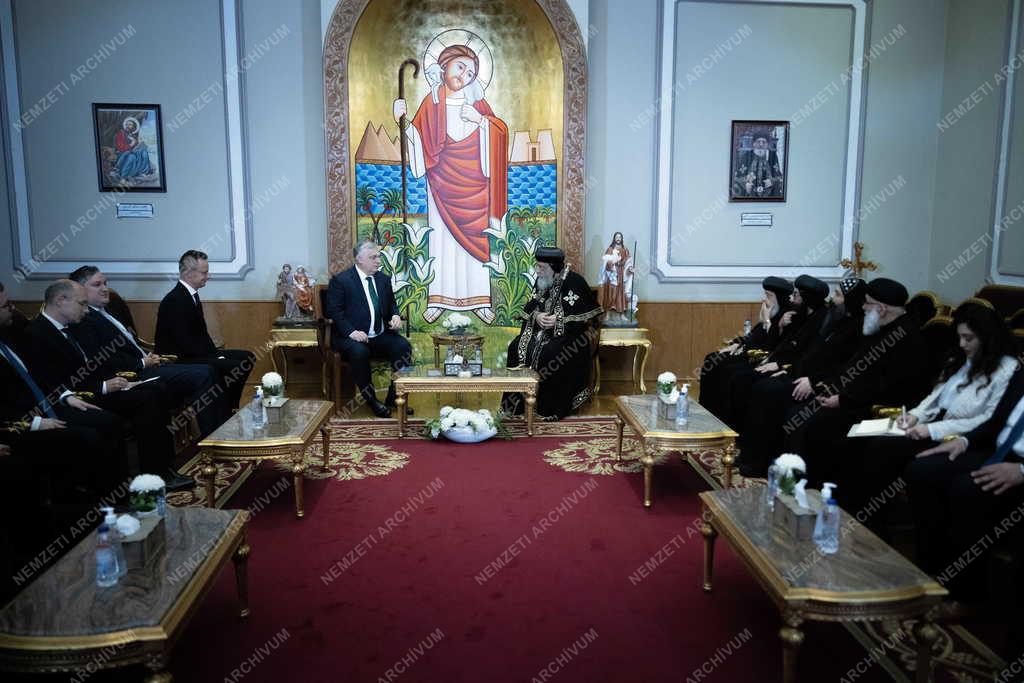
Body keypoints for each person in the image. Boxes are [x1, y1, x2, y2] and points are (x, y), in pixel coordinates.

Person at [841, 302, 1019, 520]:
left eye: (968, 338)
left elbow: (988, 419)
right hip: (930, 424)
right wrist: (915, 415)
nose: (962, 344)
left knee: (885, 449)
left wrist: (931, 430)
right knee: (861, 437)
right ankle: (858, 510)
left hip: (958, 435)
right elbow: (935, 396)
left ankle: (871, 516)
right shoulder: (964, 357)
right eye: (959, 337)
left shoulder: (1007, 370)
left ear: (988, 338)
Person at [20, 280, 192, 491]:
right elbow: (51, 381)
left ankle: (159, 470)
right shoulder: (37, 333)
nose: (86, 310)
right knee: (146, 399)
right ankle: (140, 481)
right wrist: (102, 386)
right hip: (75, 398)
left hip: (94, 388)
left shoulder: (71, 326)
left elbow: (93, 366)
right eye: (82, 304)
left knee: (155, 390)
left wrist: (119, 382)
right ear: (60, 300)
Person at [394, 43, 508, 325]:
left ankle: (480, 300)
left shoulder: (478, 104)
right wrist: (402, 121)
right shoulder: (432, 103)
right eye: (460, 67)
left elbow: (500, 132)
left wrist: (482, 121)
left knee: (476, 241)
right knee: (442, 241)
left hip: (475, 188)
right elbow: (417, 138)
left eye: (471, 73)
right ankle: (438, 299)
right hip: (441, 184)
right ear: (444, 66)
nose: (464, 75)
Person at [782, 278, 932, 486]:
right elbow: (852, 368)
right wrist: (831, 388)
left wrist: (842, 400)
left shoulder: (906, 338)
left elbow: (888, 387)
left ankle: (814, 488)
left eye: (867, 303)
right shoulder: (879, 329)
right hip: (854, 399)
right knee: (797, 414)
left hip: (881, 411)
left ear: (881, 308)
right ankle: (794, 481)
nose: (863, 307)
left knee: (814, 426)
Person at [908, 365, 1024, 604]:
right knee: (923, 470)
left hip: (1019, 467)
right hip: (997, 450)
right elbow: (996, 422)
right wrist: (964, 441)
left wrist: (1021, 471)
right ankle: (930, 567)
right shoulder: (1021, 375)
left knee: (967, 490)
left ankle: (966, 597)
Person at [68, 266, 227, 438]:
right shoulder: (83, 319)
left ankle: (221, 432)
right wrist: (143, 362)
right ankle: (213, 438)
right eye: (97, 285)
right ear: (80, 290)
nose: (105, 288)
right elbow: (105, 359)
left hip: (148, 363)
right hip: (132, 373)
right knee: (204, 374)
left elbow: (129, 345)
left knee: (209, 370)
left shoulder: (109, 310)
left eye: (105, 283)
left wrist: (147, 355)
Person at [736, 278, 867, 477]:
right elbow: (809, 354)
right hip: (804, 375)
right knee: (763, 388)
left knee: (768, 392)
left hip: (824, 386)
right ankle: (752, 455)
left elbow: (845, 367)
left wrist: (813, 382)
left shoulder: (858, 327)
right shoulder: (836, 320)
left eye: (838, 295)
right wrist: (789, 369)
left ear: (851, 300)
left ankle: (762, 462)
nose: (833, 299)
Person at [501, 247, 603, 421]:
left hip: (569, 335)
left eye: (541, 267)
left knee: (550, 354)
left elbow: (589, 317)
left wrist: (559, 320)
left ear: (554, 267)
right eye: (537, 266)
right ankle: (516, 406)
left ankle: (548, 407)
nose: (537, 271)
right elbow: (531, 307)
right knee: (515, 347)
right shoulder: (542, 280)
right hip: (540, 333)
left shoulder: (575, 282)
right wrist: (537, 316)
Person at [155, 250, 256, 413]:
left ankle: (228, 405)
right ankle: (224, 409)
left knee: (247, 357)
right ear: (189, 273)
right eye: (204, 272)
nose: (208, 276)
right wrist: (215, 357)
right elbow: (185, 342)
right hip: (179, 360)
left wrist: (214, 354)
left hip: (196, 353)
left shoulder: (190, 295)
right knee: (233, 365)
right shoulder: (175, 300)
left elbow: (200, 334)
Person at [325, 241, 413, 418]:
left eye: (378, 256)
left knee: (403, 347)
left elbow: (392, 305)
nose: (378, 261)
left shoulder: (383, 280)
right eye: (373, 257)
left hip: (378, 335)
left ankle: (394, 395)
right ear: (359, 259)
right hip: (349, 337)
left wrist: (395, 316)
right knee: (359, 351)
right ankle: (371, 400)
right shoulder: (341, 281)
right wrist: (352, 332)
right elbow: (334, 312)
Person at [698, 276, 794, 424]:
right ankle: (707, 411)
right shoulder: (771, 310)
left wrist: (767, 321)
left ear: (779, 298)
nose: (764, 299)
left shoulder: (787, 316)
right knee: (712, 358)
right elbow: (754, 334)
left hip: (761, 358)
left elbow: (772, 345)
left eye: (769, 296)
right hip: (748, 352)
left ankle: (726, 419)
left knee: (729, 371)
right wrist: (737, 343)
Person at [732, 132, 783, 199]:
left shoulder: (772, 156)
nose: (761, 144)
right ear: (753, 143)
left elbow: (779, 177)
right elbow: (737, 178)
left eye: (764, 142)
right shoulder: (746, 156)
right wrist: (745, 184)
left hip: (769, 198)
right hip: (749, 197)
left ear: (767, 144)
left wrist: (771, 181)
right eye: (758, 141)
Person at [597, 232, 633, 320]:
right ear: (614, 238)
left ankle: (622, 314)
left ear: (622, 238)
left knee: (621, 293)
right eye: (617, 237)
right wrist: (612, 262)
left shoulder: (625, 249)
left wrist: (630, 269)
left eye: (620, 237)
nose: (618, 238)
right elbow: (605, 262)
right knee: (611, 293)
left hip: (621, 274)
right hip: (612, 274)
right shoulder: (610, 249)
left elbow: (628, 262)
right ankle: (608, 313)